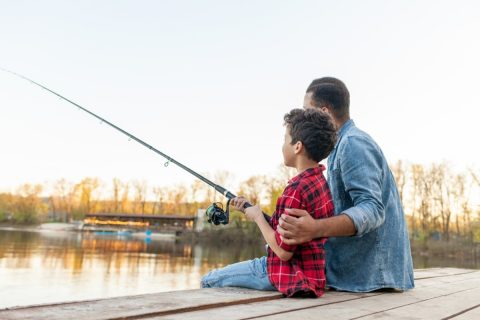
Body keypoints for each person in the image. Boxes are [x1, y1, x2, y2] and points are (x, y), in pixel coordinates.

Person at [277, 77, 414, 292]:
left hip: (370, 276)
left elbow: (372, 209)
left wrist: (315, 229)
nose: (302, 116)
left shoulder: (352, 143)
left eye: (306, 109)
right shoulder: (340, 147)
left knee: (218, 279)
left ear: (324, 112)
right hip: (360, 274)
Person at [201, 108, 337, 297]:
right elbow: (289, 232)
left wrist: (257, 218)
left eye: (284, 139)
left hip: (285, 273)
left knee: (209, 280)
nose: (282, 145)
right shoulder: (319, 182)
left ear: (297, 146)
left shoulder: (295, 190)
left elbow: (283, 252)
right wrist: (252, 210)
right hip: (313, 276)